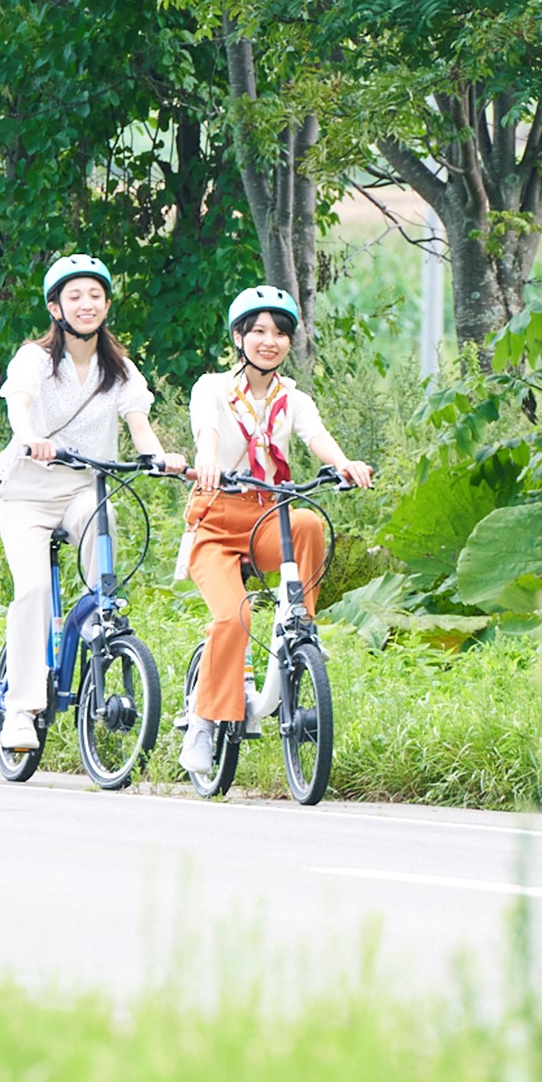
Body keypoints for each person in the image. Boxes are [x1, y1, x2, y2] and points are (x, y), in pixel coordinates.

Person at [178, 285, 375, 780]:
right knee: (232, 617)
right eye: (259, 331)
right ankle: (202, 724)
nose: (270, 341)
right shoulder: (212, 388)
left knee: (307, 519)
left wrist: (343, 463)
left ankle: (298, 621)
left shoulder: (294, 399)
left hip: (270, 516)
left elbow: (317, 437)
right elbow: (209, 431)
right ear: (239, 336)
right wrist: (206, 459)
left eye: (280, 333)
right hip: (218, 519)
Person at [0, 254, 182, 753]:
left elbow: (139, 425)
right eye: (74, 296)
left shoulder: (117, 369)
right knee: (33, 591)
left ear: (106, 304)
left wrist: (158, 458)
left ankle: (99, 623)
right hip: (28, 491)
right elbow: (20, 403)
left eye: (95, 295)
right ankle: (21, 707)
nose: (86, 304)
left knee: (103, 569)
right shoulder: (35, 358)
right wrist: (30, 437)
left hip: (84, 488)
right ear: (55, 307)